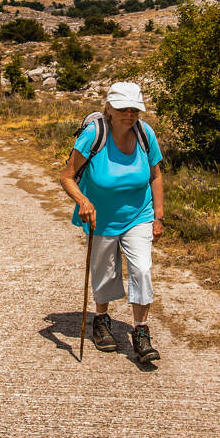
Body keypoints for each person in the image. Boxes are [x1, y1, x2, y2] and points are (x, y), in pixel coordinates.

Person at [60, 81, 164, 363]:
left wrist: (158, 216)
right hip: (101, 216)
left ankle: (141, 332)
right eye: (122, 109)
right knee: (105, 271)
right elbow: (67, 176)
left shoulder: (145, 134)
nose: (129, 115)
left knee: (142, 269)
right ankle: (101, 320)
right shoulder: (94, 135)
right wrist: (83, 201)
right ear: (108, 108)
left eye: (134, 110)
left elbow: (155, 175)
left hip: (138, 214)